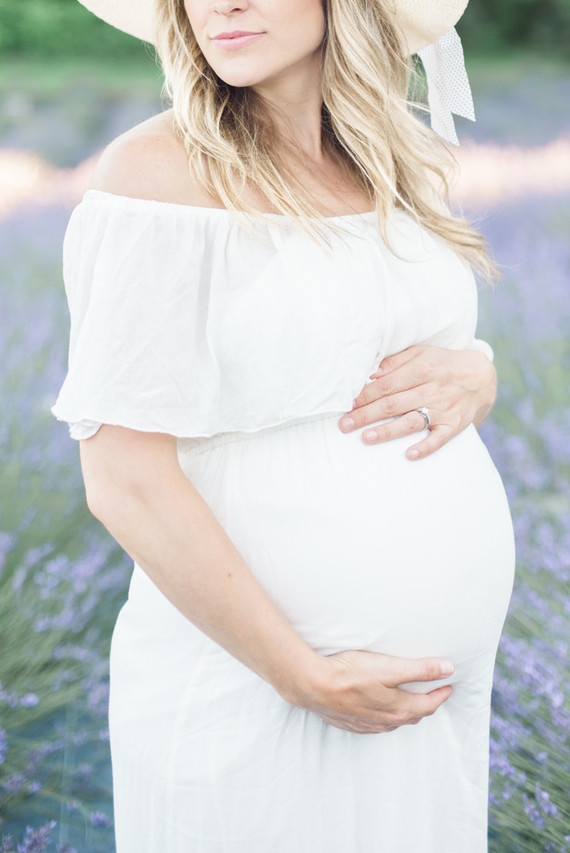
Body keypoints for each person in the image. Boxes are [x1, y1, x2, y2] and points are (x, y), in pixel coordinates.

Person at [52, 0, 515, 850]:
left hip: (429, 704)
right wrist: (300, 673)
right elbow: (124, 474)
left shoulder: (389, 161)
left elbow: (388, 335)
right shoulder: (154, 178)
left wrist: (478, 372)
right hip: (259, 687)